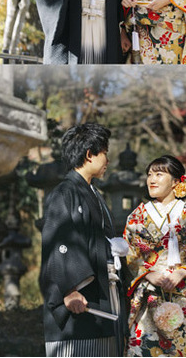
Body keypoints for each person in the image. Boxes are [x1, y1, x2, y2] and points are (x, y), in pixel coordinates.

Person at [123, 155, 186, 356]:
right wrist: (147, 273)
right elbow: (129, 251)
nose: (151, 179)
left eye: (159, 174)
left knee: (185, 348)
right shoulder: (137, 215)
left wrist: (182, 272)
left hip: (185, 293)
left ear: (176, 181)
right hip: (149, 294)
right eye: (149, 175)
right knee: (146, 348)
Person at [39, 123, 127, 356]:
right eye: (105, 152)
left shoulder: (95, 194)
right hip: (79, 295)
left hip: (103, 292)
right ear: (90, 154)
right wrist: (68, 289)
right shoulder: (64, 192)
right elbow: (59, 242)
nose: (107, 160)